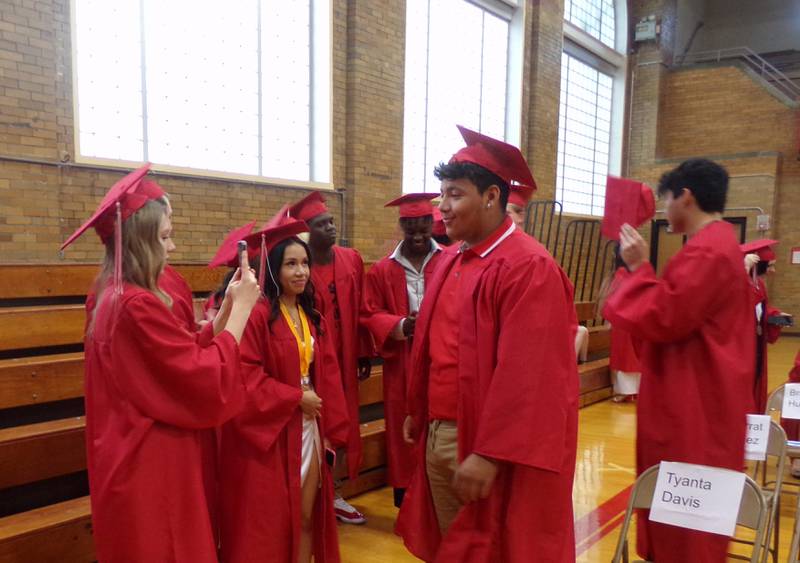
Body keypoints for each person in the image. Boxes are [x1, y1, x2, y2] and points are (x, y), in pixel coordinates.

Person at [396, 126, 579, 562]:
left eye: (454, 194)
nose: (442, 207)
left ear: (492, 197)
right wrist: (418, 410)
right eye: (442, 194)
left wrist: (489, 452)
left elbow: (529, 374)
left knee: (494, 548)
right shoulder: (453, 261)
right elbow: (434, 348)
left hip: (486, 441)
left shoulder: (527, 266)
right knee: (451, 546)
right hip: (442, 433)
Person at [62, 165, 262, 563]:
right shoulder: (136, 305)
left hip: (128, 453)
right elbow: (203, 378)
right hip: (150, 463)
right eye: (165, 237)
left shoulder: (111, 293)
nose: (171, 248)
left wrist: (220, 318)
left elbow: (174, 354)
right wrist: (241, 311)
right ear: (140, 240)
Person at [602, 158, 754, 563]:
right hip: (702, 397)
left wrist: (637, 267)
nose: (664, 210)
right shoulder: (717, 246)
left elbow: (663, 317)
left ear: (685, 196)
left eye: (666, 199)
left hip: (696, 406)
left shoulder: (707, 252)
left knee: (688, 528)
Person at [218, 212, 350, 563]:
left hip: (309, 426)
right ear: (274, 269)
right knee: (274, 521)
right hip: (275, 431)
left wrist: (330, 429)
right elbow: (245, 373)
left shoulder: (312, 315)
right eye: (291, 263)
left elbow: (330, 373)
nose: (301, 272)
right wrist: (294, 398)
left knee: (307, 515)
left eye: (305, 263)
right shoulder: (260, 315)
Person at [289, 191, 373, 524]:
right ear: (308, 231)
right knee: (319, 423)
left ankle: (333, 489)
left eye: (332, 221)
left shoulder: (351, 259)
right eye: (323, 224)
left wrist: (364, 350)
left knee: (342, 421)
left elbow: (363, 308)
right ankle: (317, 491)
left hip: (347, 355)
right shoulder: (300, 267)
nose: (332, 228)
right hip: (315, 363)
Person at [361, 193, 443, 508]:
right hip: (402, 360)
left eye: (424, 228)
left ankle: (437, 493)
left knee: (439, 420)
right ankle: (406, 499)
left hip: (440, 357)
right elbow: (369, 312)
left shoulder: (448, 259)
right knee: (402, 426)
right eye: (411, 230)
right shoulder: (382, 270)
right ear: (402, 227)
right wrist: (400, 325)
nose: (419, 236)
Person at [741, 239, 791, 415]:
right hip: (741, 346)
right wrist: (741, 271)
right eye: (769, 266)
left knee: (755, 381)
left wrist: (775, 317)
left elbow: (760, 310)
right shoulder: (739, 283)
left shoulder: (759, 284)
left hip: (756, 344)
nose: (773, 271)